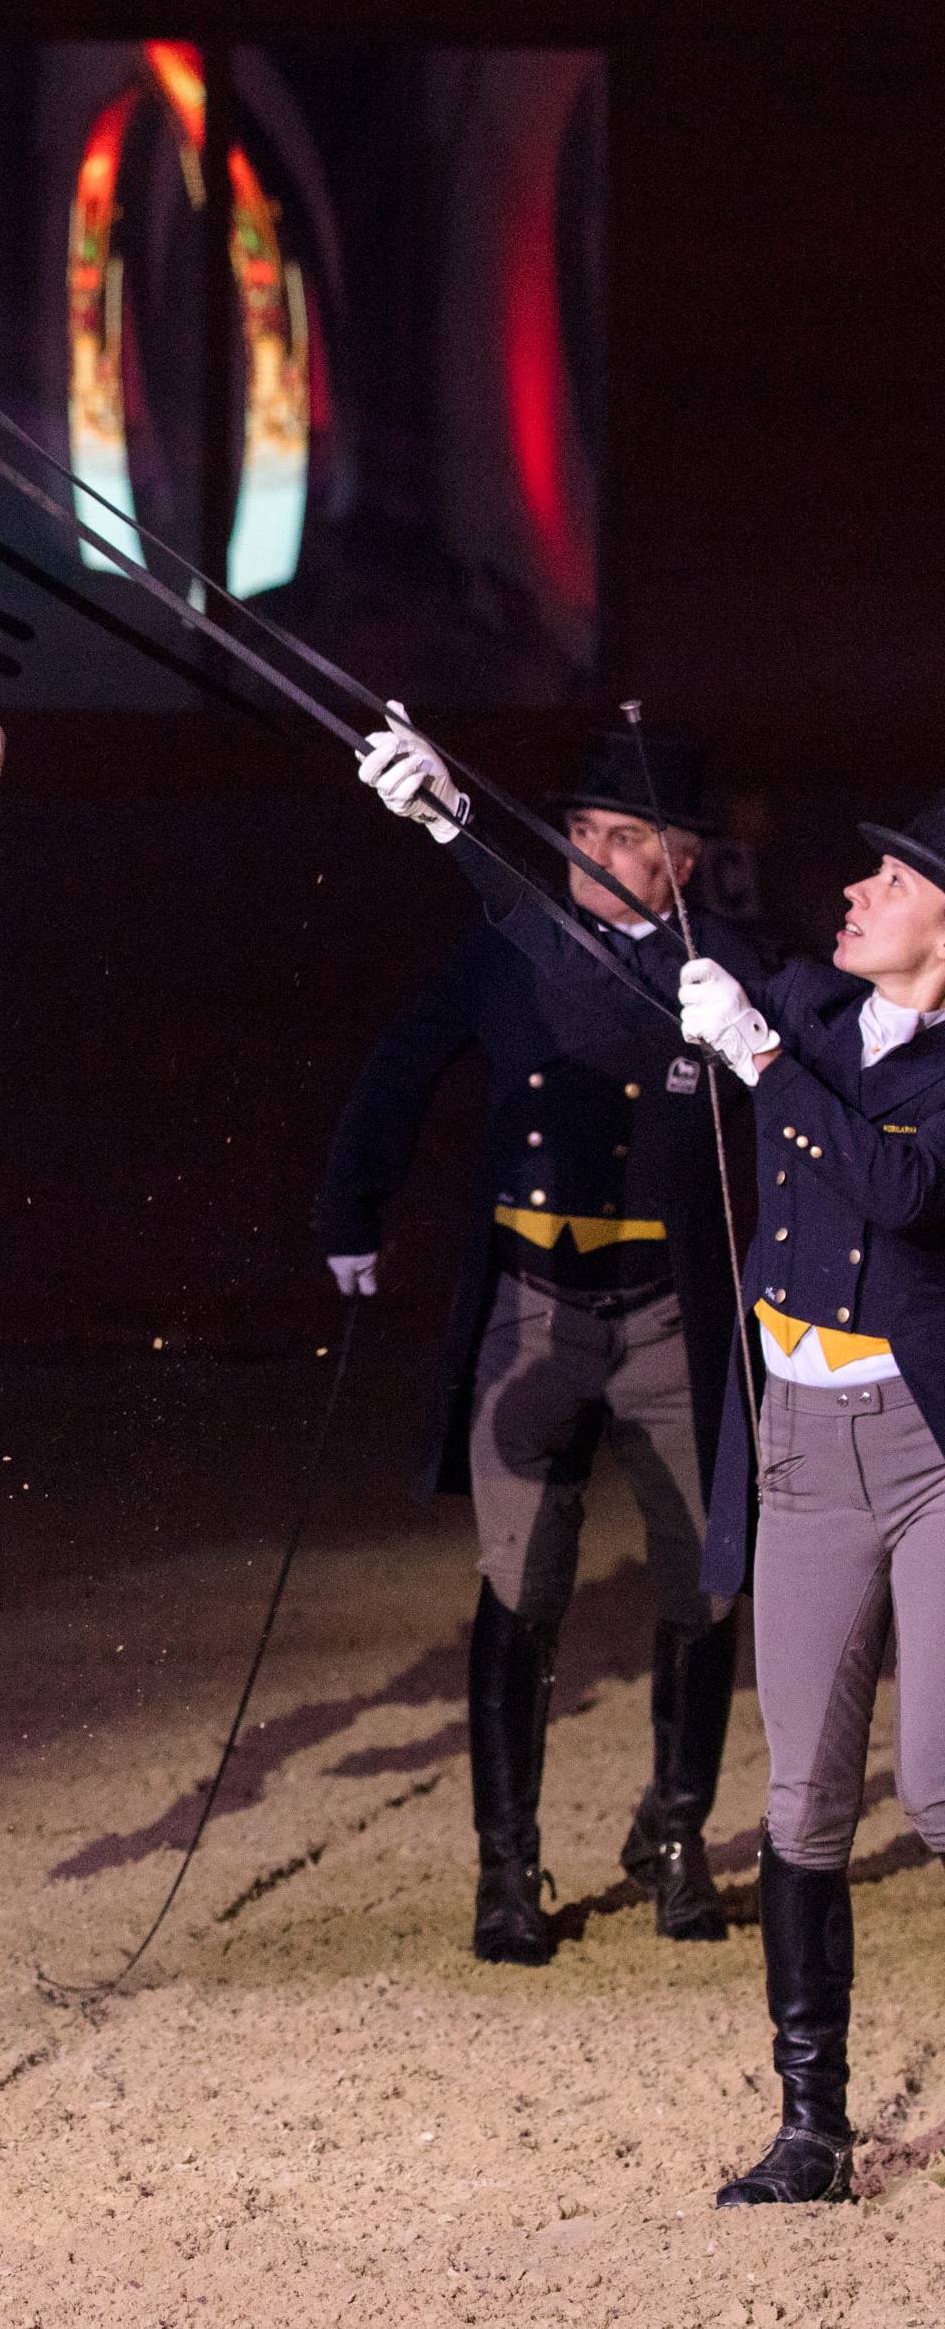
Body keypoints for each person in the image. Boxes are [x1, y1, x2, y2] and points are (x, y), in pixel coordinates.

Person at [321, 720, 766, 1967]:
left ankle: (674, 1833)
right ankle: (505, 1868)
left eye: (626, 839)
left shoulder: (722, 967)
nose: (592, 856)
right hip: (535, 1298)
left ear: (683, 860)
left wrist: (467, 838)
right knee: (520, 1588)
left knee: (704, 1582)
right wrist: (351, 1206)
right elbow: (403, 1062)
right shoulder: (512, 943)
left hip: (666, 1308)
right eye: (578, 834)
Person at [671, 797, 945, 2206]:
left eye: (891, 877)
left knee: (944, 1785)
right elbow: (640, 927)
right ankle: (811, 2128)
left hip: (930, 1449)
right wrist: (453, 819)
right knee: (802, 1803)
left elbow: (898, 1184)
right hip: (798, 1439)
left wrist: (764, 1059)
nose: (857, 887)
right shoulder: (814, 1007)